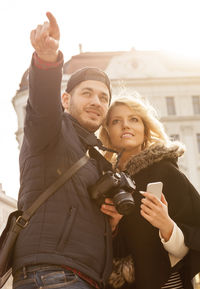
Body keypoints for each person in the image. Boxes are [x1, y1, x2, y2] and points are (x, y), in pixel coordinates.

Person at [12, 12, 114, 289]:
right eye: (87, 93)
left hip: (79, 275)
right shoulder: (51, 129)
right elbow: (42, 104)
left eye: (103, 97)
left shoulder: (93, 153)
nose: (96, 102)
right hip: (54, 273)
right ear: (66, 100)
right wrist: (47, 59)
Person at [99, 96, 200, 289]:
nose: (125, 125)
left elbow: (192, 240)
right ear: (108, 132)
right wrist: (112, 227)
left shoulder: (165, 172)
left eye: (134, 119)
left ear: (145, 131)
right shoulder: (104, 183)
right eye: (116, 121)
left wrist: (167, 226)